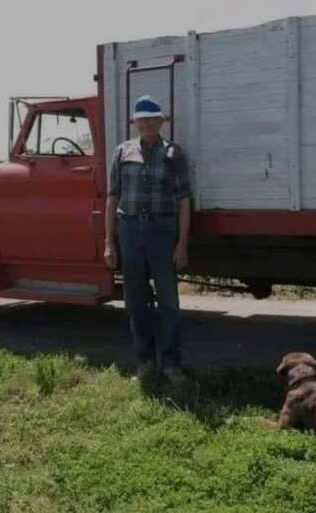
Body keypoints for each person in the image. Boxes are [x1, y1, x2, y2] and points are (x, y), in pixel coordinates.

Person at [104, 95, 191, 385]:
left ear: (160, 122)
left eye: (151, 119)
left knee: (168, 302)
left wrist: (182, 243)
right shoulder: (122, 152)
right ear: (135, 122)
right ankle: (145, 362)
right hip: (129, 231)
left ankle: (170, 365)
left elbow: (183, 200)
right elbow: (112, 196)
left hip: (162, 231)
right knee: (136, 302)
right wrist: (109, 241)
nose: (145, 124)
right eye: (140, 119)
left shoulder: (173, 153)